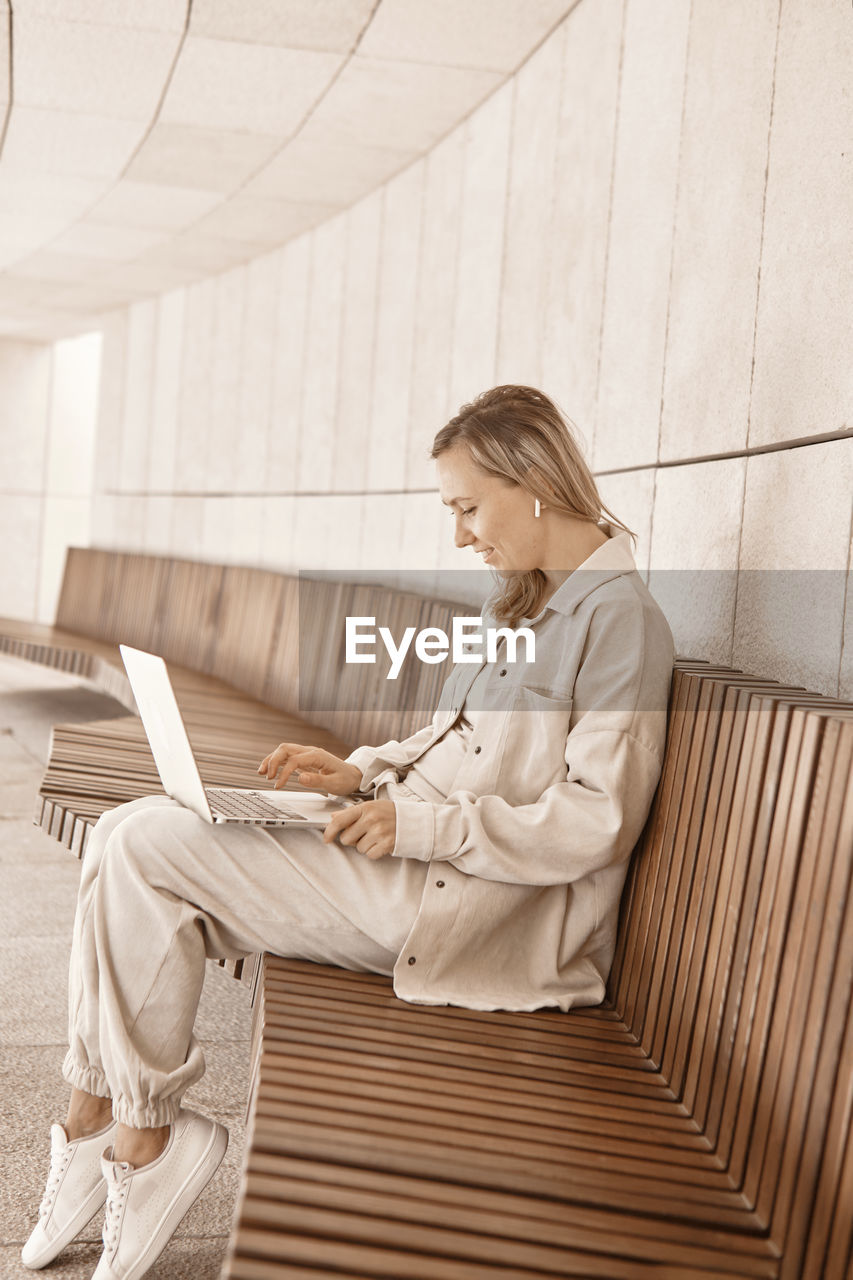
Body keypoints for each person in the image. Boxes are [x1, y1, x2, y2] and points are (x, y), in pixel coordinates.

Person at [22, 384, 675, 1279]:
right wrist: (360, 770)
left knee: (147, 850)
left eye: (466, 507)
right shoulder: (519, 604)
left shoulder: (620, 624)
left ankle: (141, 1137)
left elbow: (593, 821)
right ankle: (97, 1117)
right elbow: (449, 742)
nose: (459, 535)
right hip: (410, 850)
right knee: (123, 830)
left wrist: (415, 824)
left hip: (464, 904)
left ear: (532, 483)